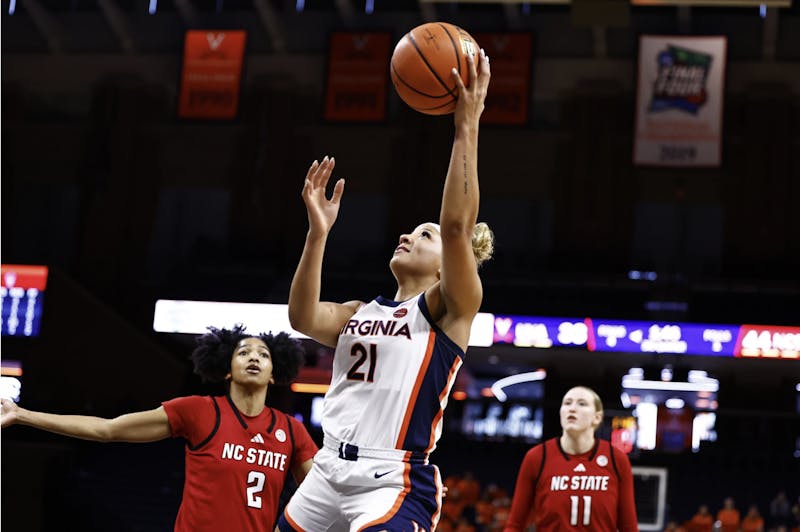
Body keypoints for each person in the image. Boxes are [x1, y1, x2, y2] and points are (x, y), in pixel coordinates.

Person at [278, 46, 492, 532]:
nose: (408, 236)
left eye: (424, 235)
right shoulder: (360, 310)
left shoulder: (449, 308)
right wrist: (318, 235)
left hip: (390, 477)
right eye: (411, 231)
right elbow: (303, 317)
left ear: (447, 267)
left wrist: (466, 125)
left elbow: (457, 227)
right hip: (326, 471)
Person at [1, 325, 318, 532]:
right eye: (243, 352)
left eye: (263, 354)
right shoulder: (199, 411)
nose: (254, 358)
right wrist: (22, 414)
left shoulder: (291, 432)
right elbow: (108, 429)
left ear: (275, 375)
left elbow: (322, 492)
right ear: (226, 370)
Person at [503, 386, 638, 532]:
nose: (572, 409)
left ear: (597, 417)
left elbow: (628, 527)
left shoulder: (616, 459)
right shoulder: (537, 457)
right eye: (567, 403)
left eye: (582, 403)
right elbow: (515, 525)